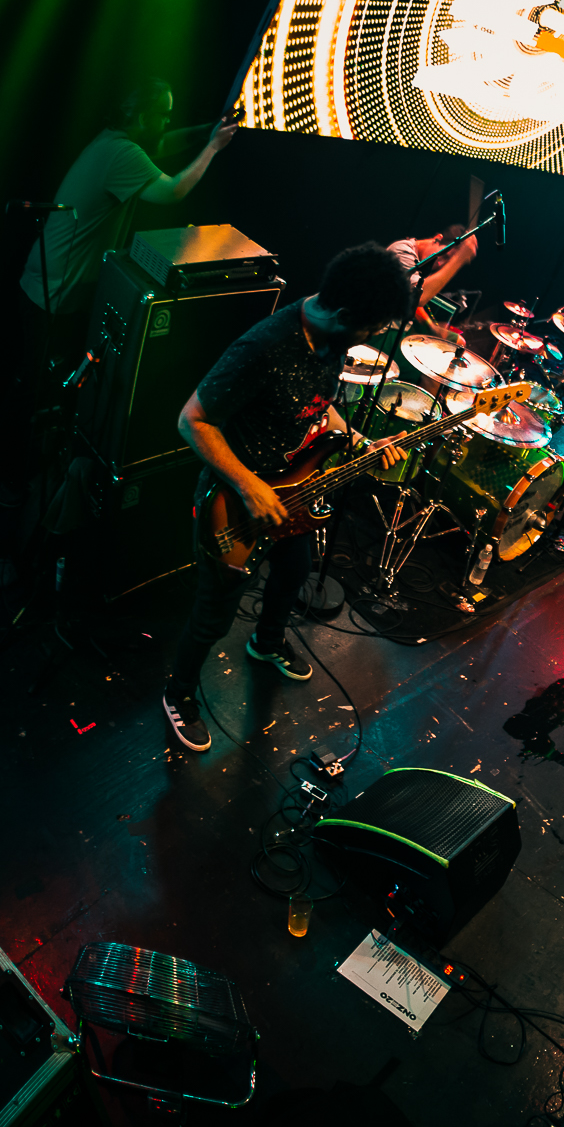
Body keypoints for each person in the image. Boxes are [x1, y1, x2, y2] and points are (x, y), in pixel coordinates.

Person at [159, 243, 413, 752]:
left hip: (291, 492)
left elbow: (320, 407)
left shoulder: (332, 337)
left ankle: (266, 642)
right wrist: (248, 485)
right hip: (234, 504)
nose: (371, 338)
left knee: (294, 570)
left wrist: (361, 443)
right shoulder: (264, 348)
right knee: (214, 613)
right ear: (343, 315)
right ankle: (178, 693)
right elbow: (192, 420)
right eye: (370, 329)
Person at [0, 79, 239, 506]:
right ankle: (0, 474)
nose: (167, 121)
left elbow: (162, 144)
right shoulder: (122, 154)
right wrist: (213, 148)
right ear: (139, 116)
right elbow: (173, 190)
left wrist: (204, 131)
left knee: (43, 382)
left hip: (52, 287)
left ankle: (15, 465)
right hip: (53, 292)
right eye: (162, 113)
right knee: (32, 387)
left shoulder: (114, 142)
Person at [385, 225, 479, 339]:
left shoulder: (423, 265)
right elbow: (418, 298)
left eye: (447, 262)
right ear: (437, 238)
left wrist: (433, 327)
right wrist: (459, 259)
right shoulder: (402, 250)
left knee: (457, 341)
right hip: (382, 333)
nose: (440, 264)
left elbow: (410, 301)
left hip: (396, 332)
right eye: (444, 256)